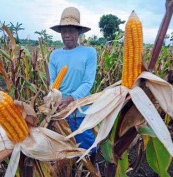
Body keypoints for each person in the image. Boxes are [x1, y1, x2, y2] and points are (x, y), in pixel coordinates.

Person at [49, 7, 97, 161]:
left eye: (71, 30)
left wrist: (70, 99)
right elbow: (52, 81)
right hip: (60, 109)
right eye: (64, 31)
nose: (67, 35)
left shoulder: (89, 53)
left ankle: (91, 168)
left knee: (87, 144)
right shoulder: (55, 55)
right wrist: (55, 98)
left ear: (79, 33)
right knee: (65, 146)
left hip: (80, 109)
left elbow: (88, 82)